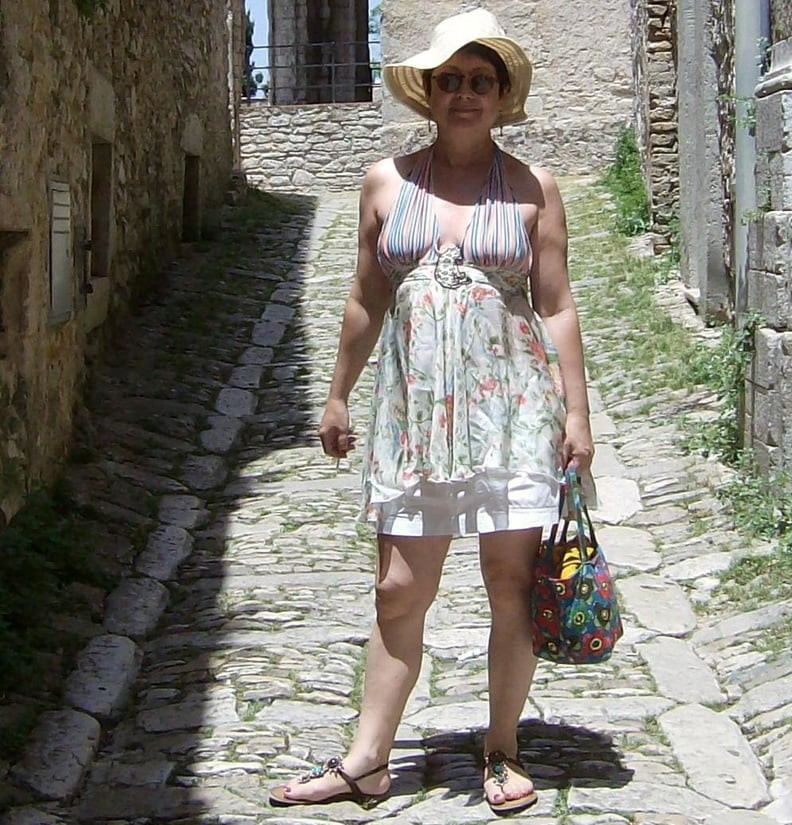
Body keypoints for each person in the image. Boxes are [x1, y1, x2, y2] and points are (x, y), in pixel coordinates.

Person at [268, 8, 594, 816]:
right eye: (450, 79)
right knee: (397, 588)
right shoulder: (386, 183)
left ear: (502, 94)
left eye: (480, 80)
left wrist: (578, 416)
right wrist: (338, 392)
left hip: (514, 414)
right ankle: (368, 760)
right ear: (429, 93)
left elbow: (556, 306)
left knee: (509, 583)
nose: (464, 93)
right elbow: (364, 297)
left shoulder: (534, 188)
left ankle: (502, 748)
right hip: (413, 419)